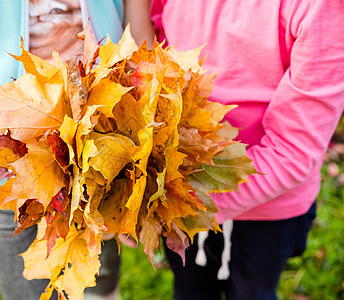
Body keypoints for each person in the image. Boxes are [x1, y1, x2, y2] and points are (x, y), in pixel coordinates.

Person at [0, 1, 146, 299]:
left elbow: (136, 32)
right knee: (30, 288)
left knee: (98, 283)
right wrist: (27, 148)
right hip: (14, 170)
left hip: (108, 157)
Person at [140, 0, 343, 299]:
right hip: (179, 191)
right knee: (190, 289)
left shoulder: (319, 8)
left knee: (253, 291)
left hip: (268, 210)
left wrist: (183, 204)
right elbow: (153, 39)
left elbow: (293, 151)